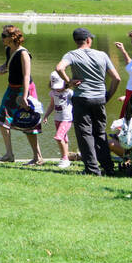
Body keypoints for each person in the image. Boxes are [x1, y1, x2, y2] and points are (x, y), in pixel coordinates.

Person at [54, 28, 121, 176]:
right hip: (99, 98)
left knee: (85, 134)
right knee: (100, 133)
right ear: (89, 40)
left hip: (82, 98)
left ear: (76, 41)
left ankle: (92, 169)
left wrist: (69, 82)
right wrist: (107, 96)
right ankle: (108, 167)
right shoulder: (102, 55)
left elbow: (59, 68)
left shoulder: (71, 55)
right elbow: (117, 78)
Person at [0, 24, 42, 165]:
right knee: (2, 120)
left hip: (25, 90)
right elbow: (8, 65)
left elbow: (26, 76)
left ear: (12, 37)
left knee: (29, 124)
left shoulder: (24, 54)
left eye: (4, 36)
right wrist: (2, 68)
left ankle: (37, 157)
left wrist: (25, 96)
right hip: (12, 89)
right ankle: (9, 154)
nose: (2, 38)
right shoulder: (8, 50)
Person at [47, 70, 75, 169]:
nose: (58, 89)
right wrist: (46, 116)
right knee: (64, 138)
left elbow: (77, 104)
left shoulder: (69, 93)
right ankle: (65, 156)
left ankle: (65, 159)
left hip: (66, 119)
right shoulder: (53, 93)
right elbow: (51, 105)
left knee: (59, 137)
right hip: (57, 118)